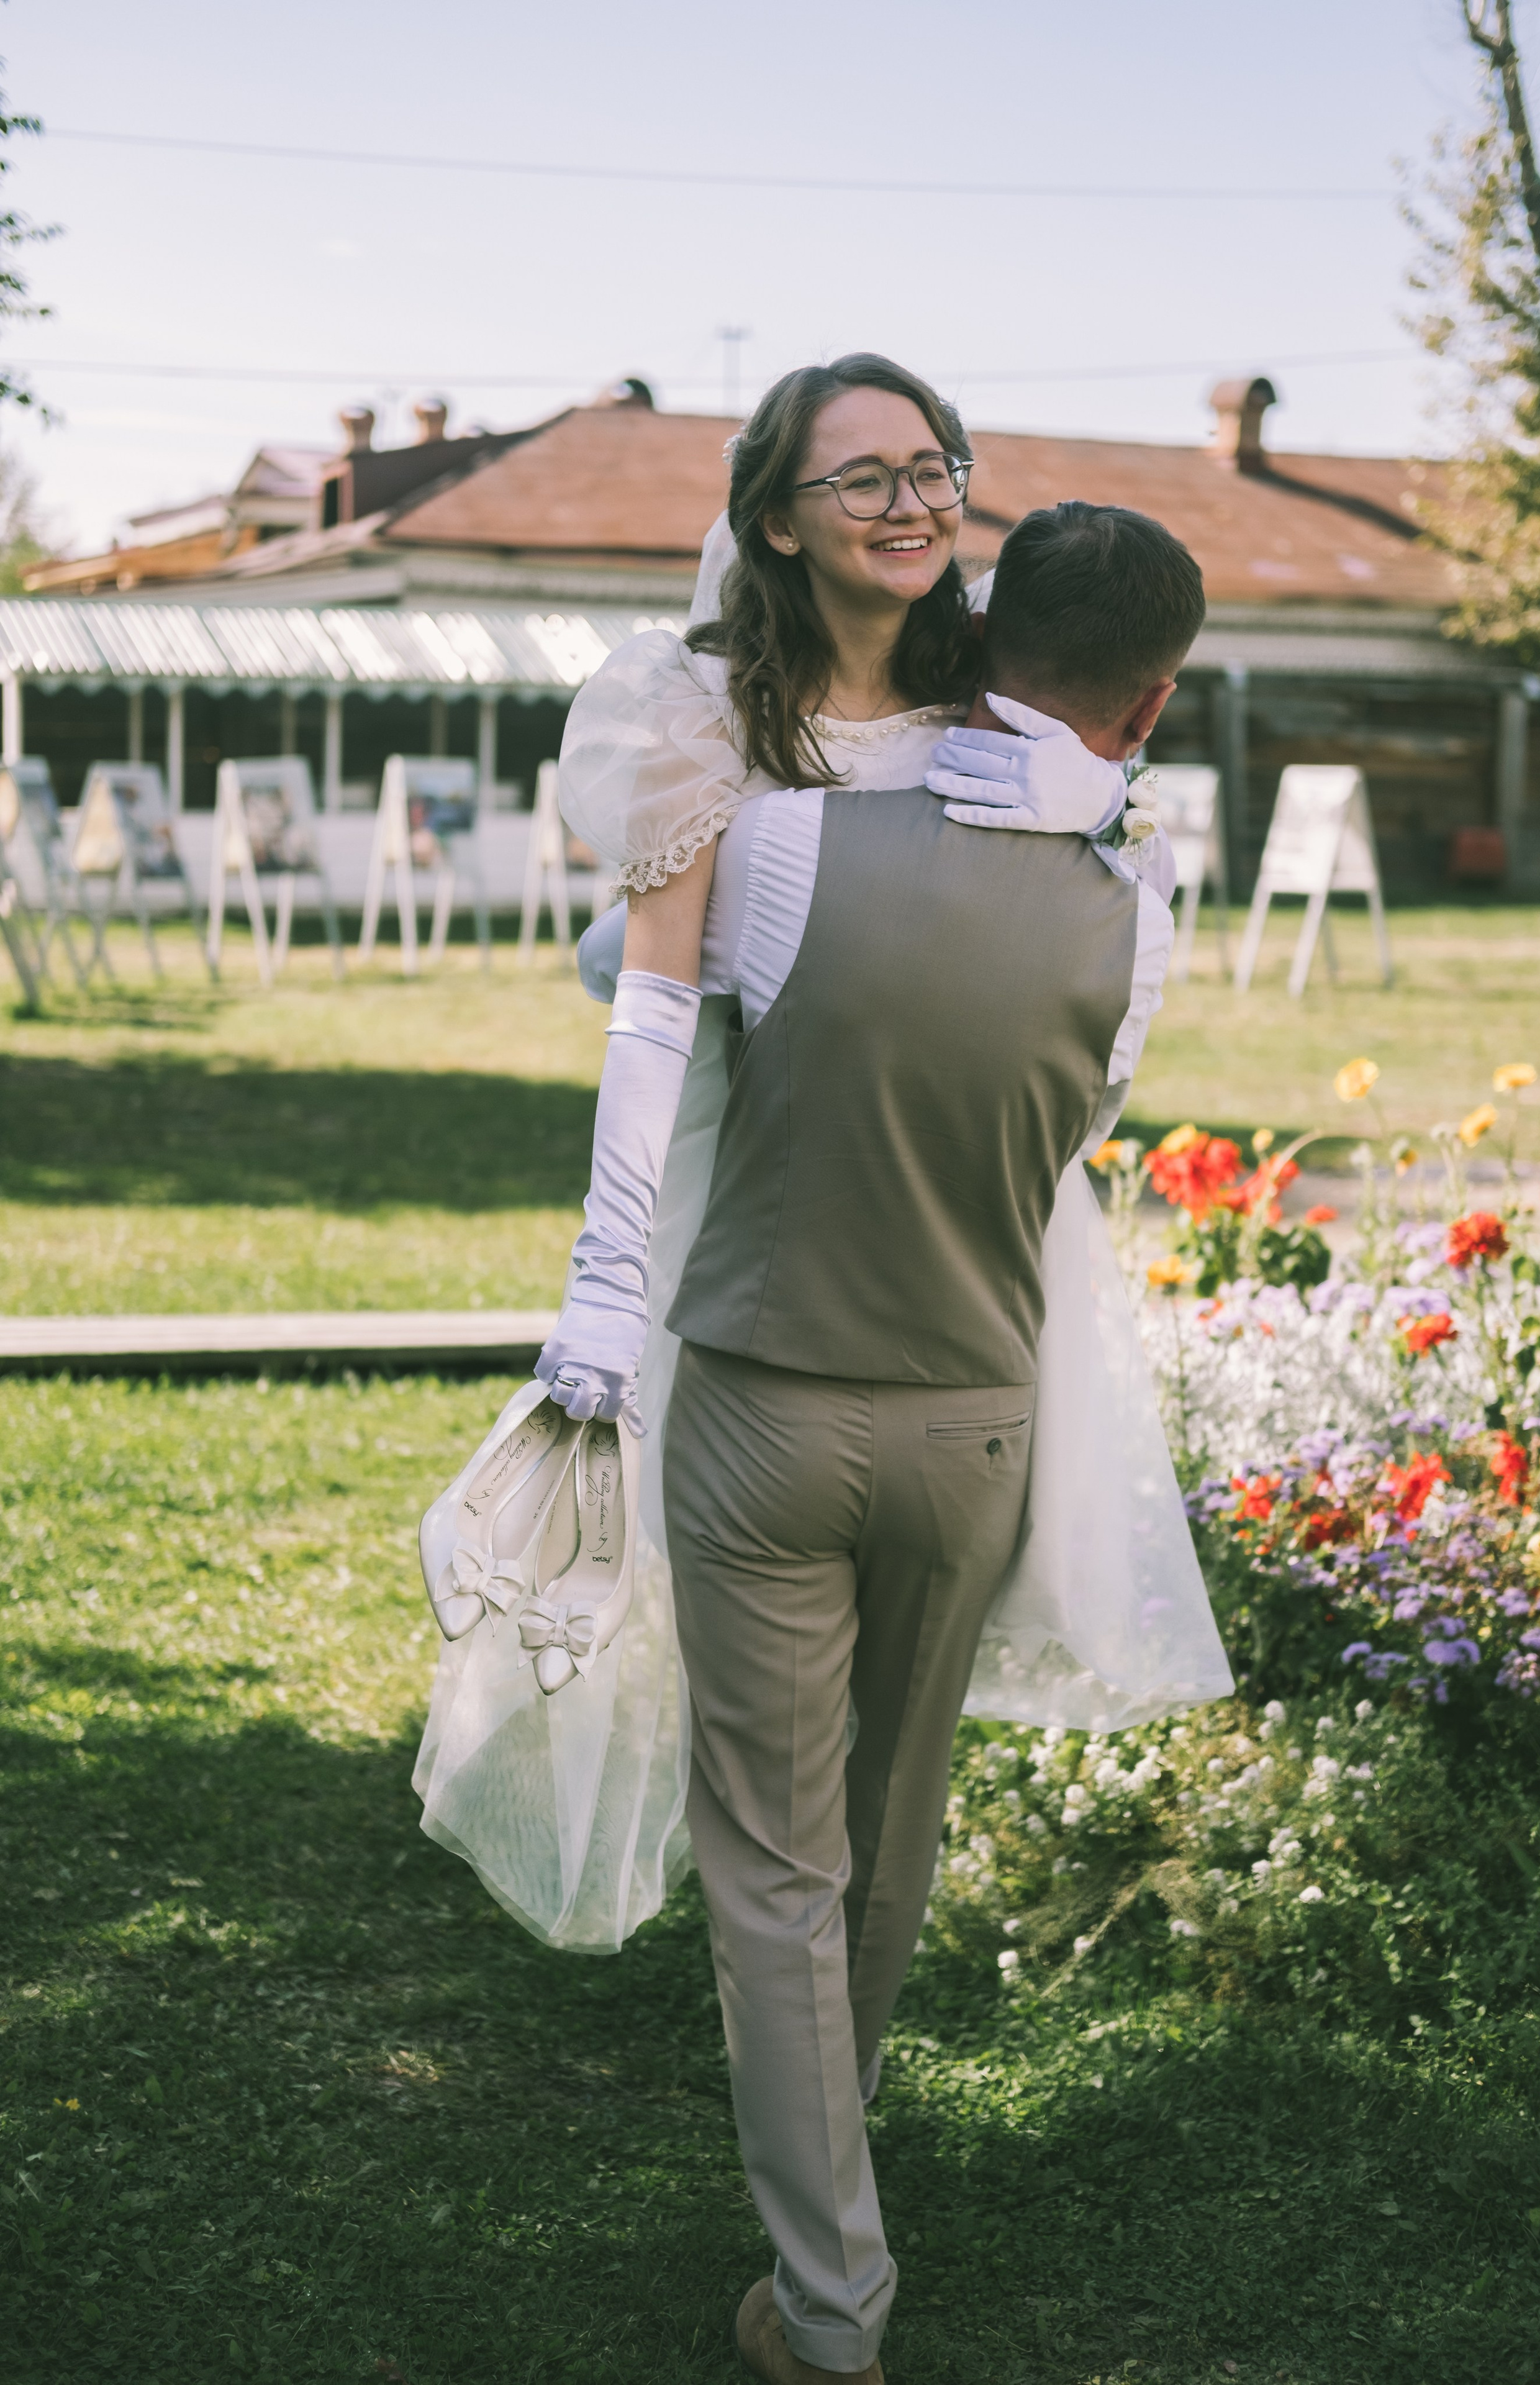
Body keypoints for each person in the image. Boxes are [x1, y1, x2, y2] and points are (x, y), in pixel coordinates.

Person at [415, 355, 1232, 2384]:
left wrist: (1084, 802)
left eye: (931, 465)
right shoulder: (709, 730)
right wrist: (607, 1286)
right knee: (829, 1821)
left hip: (888, 1298)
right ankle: (827, 2228)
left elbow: (970, 926)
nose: (904, 497)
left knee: (830, 1831)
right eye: (855, 473)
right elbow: (648, 1008)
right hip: (844, 1289)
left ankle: (828, 2266)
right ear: (772, 514)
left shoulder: (974, 745)